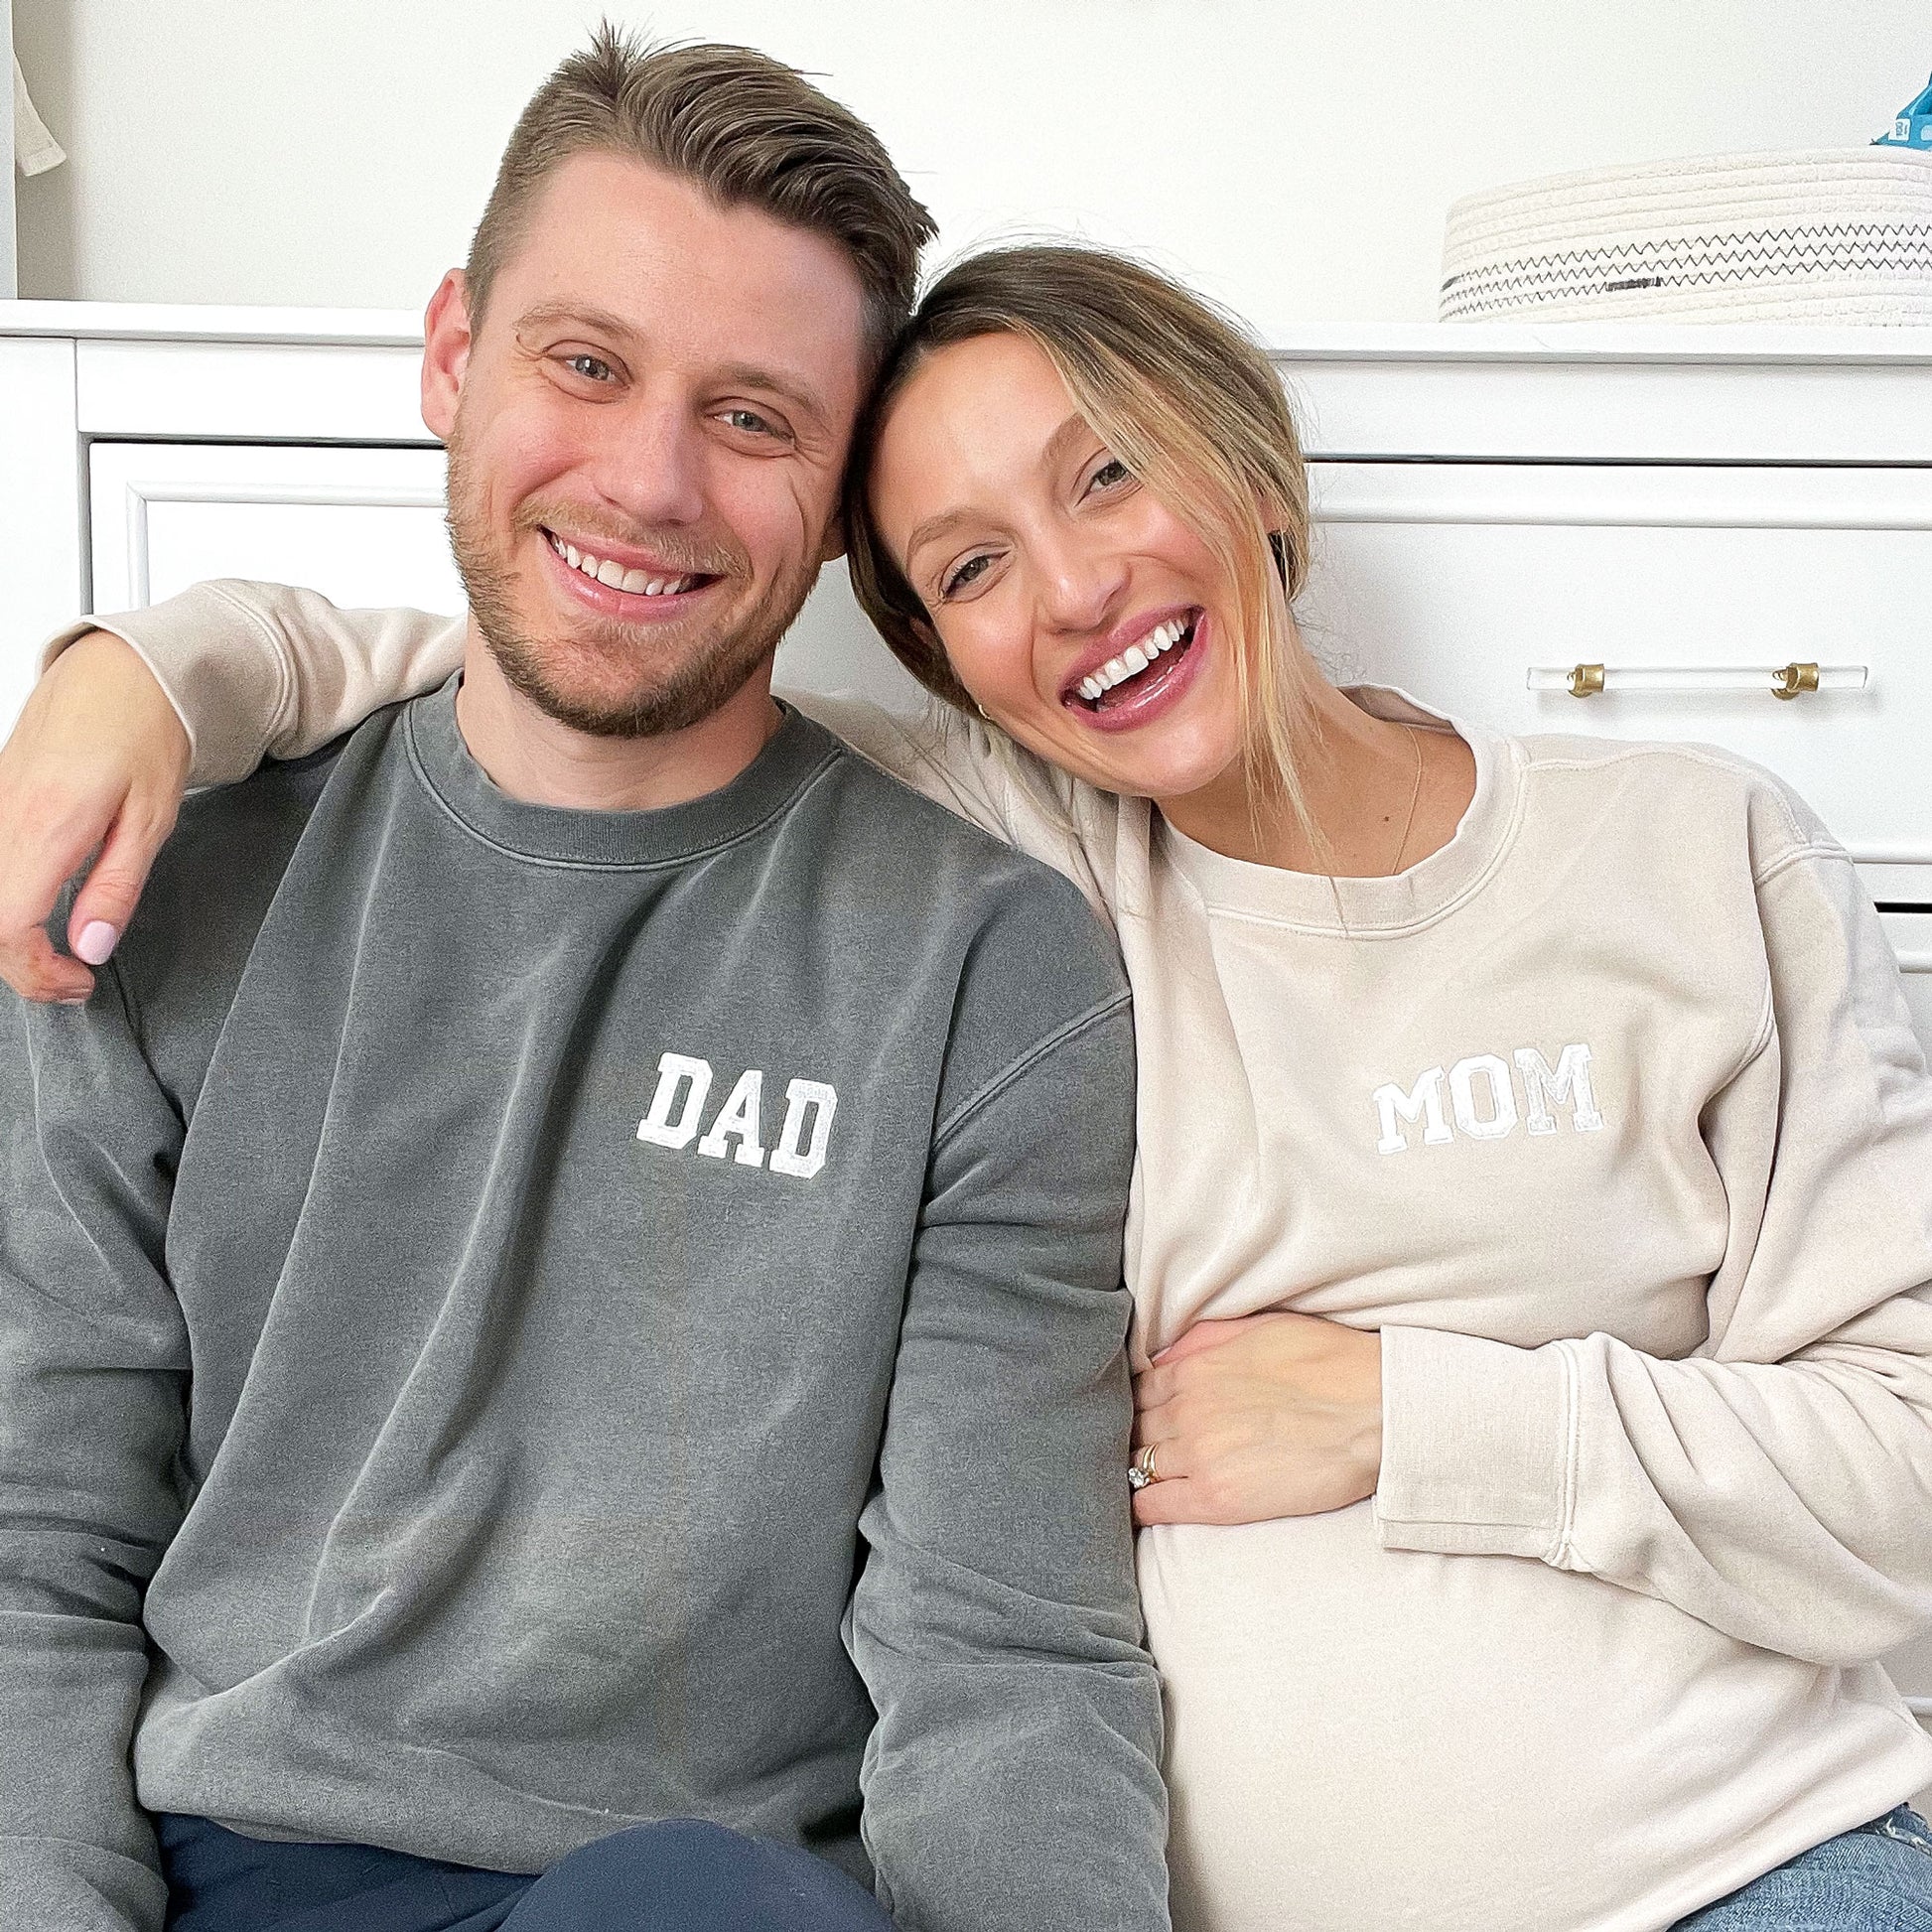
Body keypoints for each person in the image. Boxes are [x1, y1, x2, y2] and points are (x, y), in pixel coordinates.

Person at [15, 236, 1932, 1932]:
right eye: (972, 566)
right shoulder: (1006, 865)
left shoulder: (1695, 850)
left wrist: (1416, 1417)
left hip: (1740, 1871)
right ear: (945, 663)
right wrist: (149, 672)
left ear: (1249, 461)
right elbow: (576, 648)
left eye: (1108, 472)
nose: (1080, 589)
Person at [0, 38, 1175, 1932]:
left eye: (755, 417)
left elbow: (1003, 1646)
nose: (646, 483)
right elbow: (31, 1551)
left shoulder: (979, 965)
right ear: (454, 353)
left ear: (840, 493)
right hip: (224, 1864)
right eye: (585, 363)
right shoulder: (161, 871)